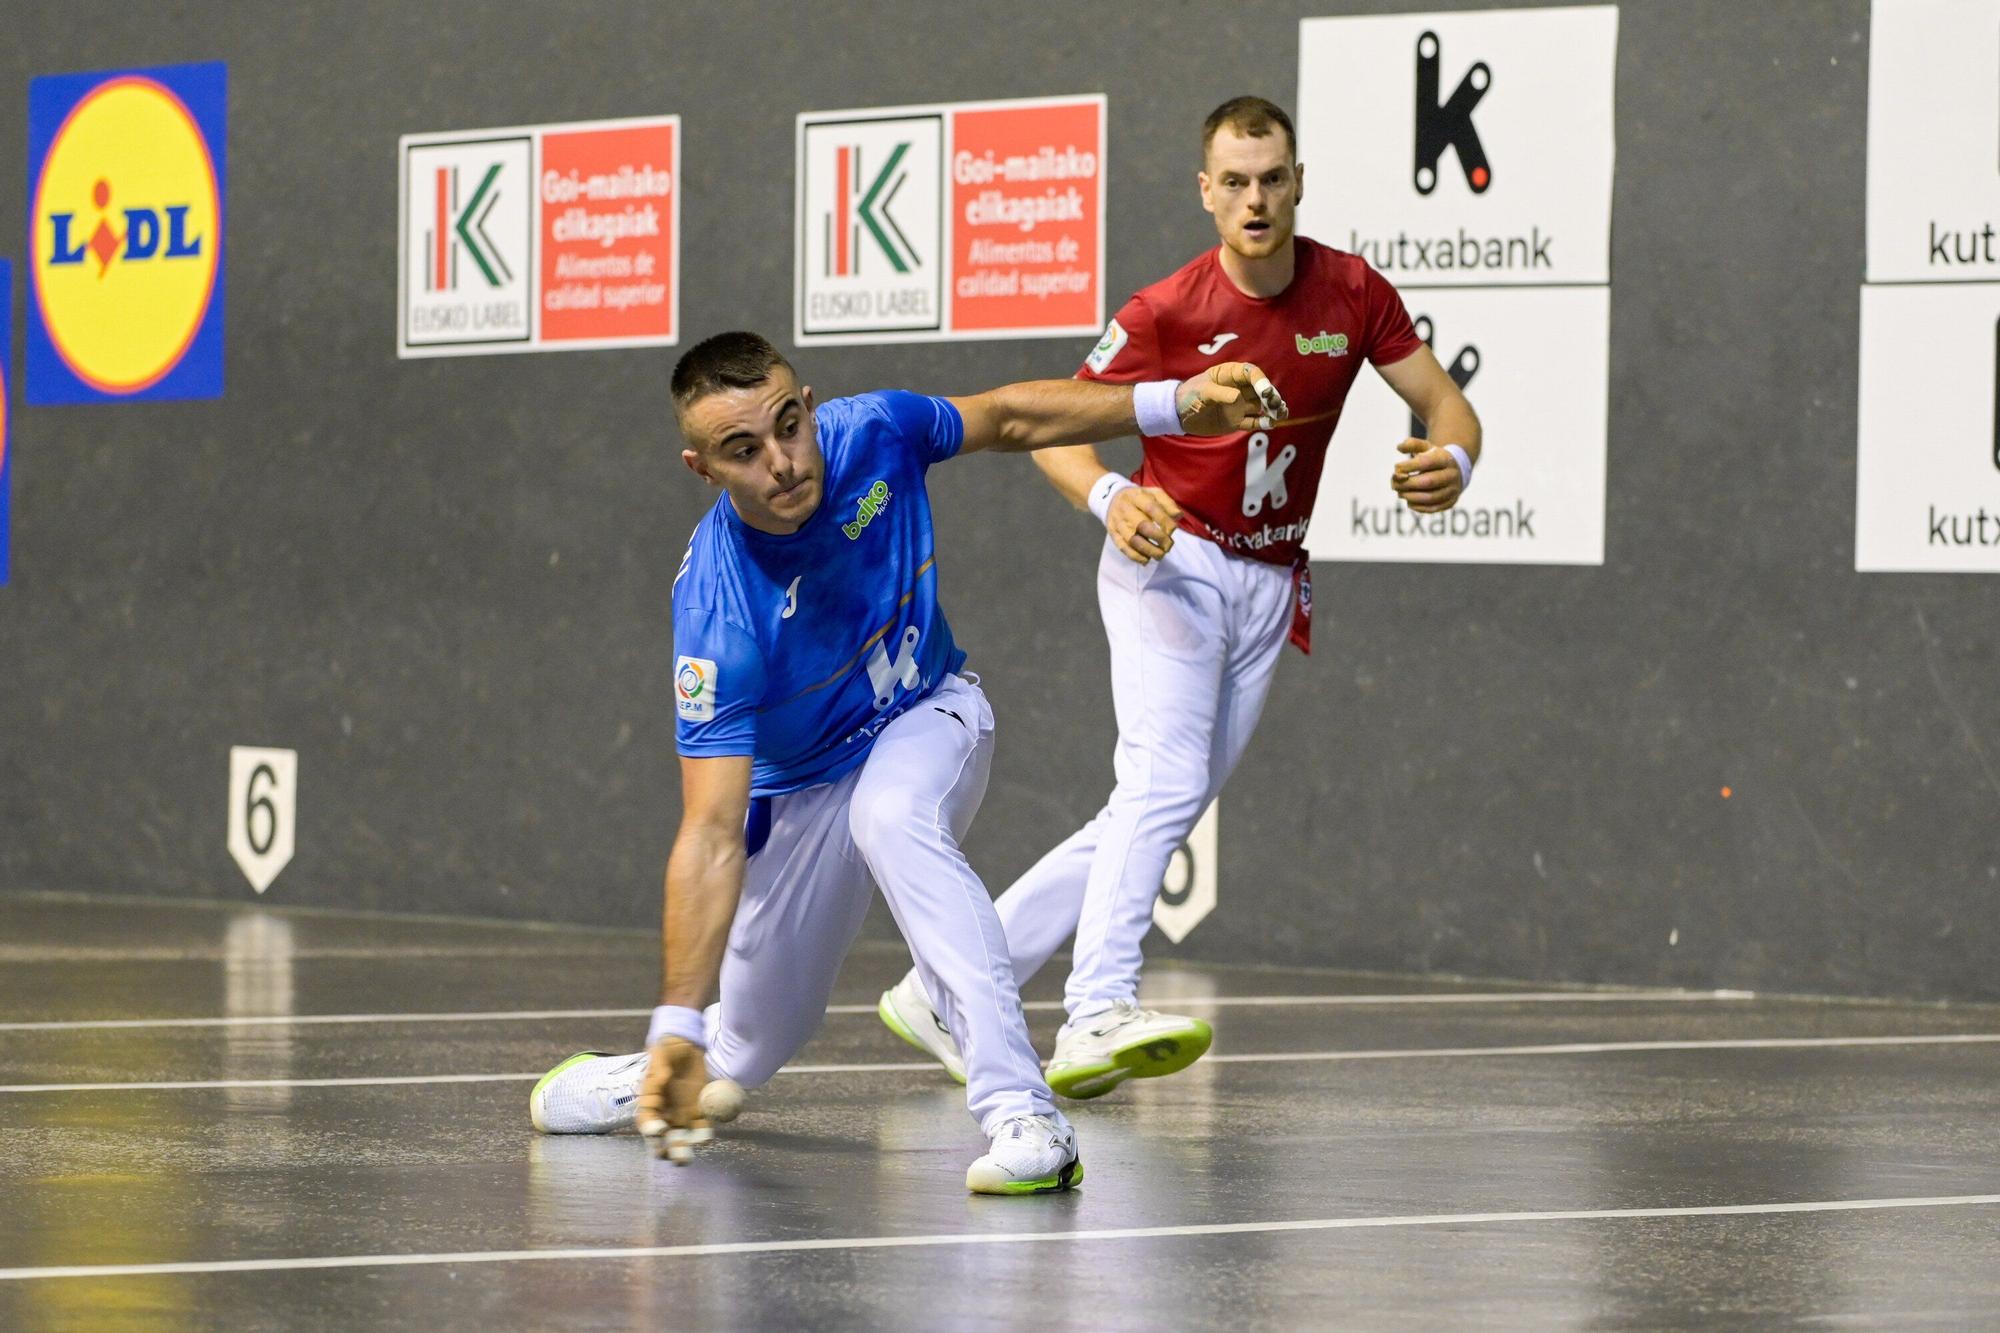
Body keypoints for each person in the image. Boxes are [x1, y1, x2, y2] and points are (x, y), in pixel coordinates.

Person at [528, 331, 1288, 1194]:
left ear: (810, 406)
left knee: (891, 816)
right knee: (739, 1050)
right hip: (803, 789)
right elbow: (709, 832)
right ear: (702, 468)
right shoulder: (718, 608)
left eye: (787, 426)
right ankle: (653, 1067)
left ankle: (1024, 1111)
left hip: (930, 715)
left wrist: (1176, 401)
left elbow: (1005, 416)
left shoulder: (875, 431)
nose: (781, 463)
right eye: (744, 451)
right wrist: (674, 1020)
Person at [877, 96, 1482, 1100]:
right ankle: (1093, 1010)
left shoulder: (1351, 291)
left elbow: (1441, 401)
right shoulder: (1167, 310)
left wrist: (1453, 456)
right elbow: (1052, 429)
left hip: (1270, 577)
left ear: (1296, 182)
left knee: (1155, 807)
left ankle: (943, 987)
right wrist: (1111, 494)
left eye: (1272, 177)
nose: (1255, 197)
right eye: (1234, 181)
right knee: (1160, 785)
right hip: (1172, 563)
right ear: (1205, 193)